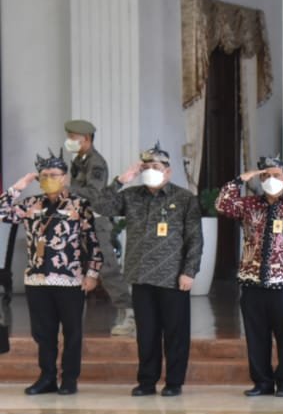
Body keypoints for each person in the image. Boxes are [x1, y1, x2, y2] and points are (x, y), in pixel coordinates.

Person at [97, 143, 202, 397]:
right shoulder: (131, 196)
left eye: (155, 167)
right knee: (146, 333)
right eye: (146, 167)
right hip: (141, 275)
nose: (150, 171)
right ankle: (147, 381)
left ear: (168, 171)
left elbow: (195, 238)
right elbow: (101, 206)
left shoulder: (184, 198)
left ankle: (174, 382)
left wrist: (189, 271)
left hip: (173, 277)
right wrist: (121, 180)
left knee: (175, 333)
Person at [215, 156, 283, 398]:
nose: (271, 180)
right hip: (253, 284)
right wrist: (239, 180)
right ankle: (261, 381)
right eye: (265, 176)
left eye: (276, 175)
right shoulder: (249, 205)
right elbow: (222, 205)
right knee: (256, 336)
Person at [0, 154, 102, 394]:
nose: (49, 180)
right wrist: (20, 185)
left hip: (70, 278)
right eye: (44, 176)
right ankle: (47, 377)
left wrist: (93, 273)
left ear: (64, 178)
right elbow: (2, 211)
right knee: (43, 333)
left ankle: (69, 379)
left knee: (72, 332)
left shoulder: (79, 205)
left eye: (54, 175)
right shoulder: (30, 204)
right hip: (37, 279)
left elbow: (92, 241)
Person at [63, 119, 133, 336]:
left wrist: (67, 185)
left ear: (86, 139)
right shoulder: (79, 160)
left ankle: (128, 313)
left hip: (95, 221)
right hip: (77, 219)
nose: (70, 141)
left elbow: (94, 194)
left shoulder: (96, 163)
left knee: (107, 269)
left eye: (73, 137)